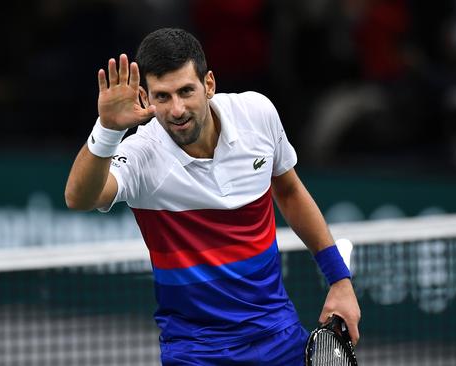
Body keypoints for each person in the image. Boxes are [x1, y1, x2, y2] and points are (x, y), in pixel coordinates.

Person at [64, 28, 360, 365]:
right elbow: (79, 198)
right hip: (197, 350)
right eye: (162, 96)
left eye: (186, 91)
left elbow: (290, 192)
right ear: (145, 99)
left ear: (209, 84)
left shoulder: (257, 115)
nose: (177, 109)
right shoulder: (142, 155)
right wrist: (108, 130)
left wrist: (340, 280)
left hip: (278, 335)